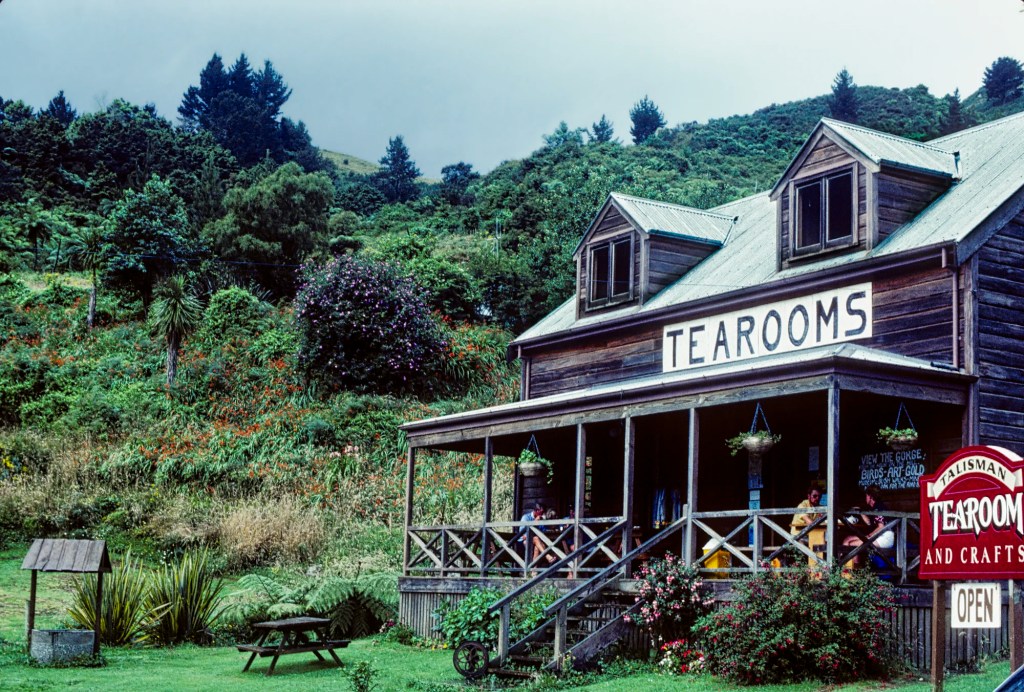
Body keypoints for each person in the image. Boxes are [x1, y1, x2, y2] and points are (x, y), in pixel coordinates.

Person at [842, 484, 894, 565]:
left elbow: (881, 527)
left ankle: (854, 571)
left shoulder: (879, 508)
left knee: (852, 545)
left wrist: (869, 536)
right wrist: (861, 512)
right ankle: (843, 566)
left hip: (884, 538)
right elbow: (870, 523)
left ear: (870, 496)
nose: (865, 498)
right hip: (878, 536)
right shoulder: (875, 507)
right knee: (847, 539)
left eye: (866, 495)